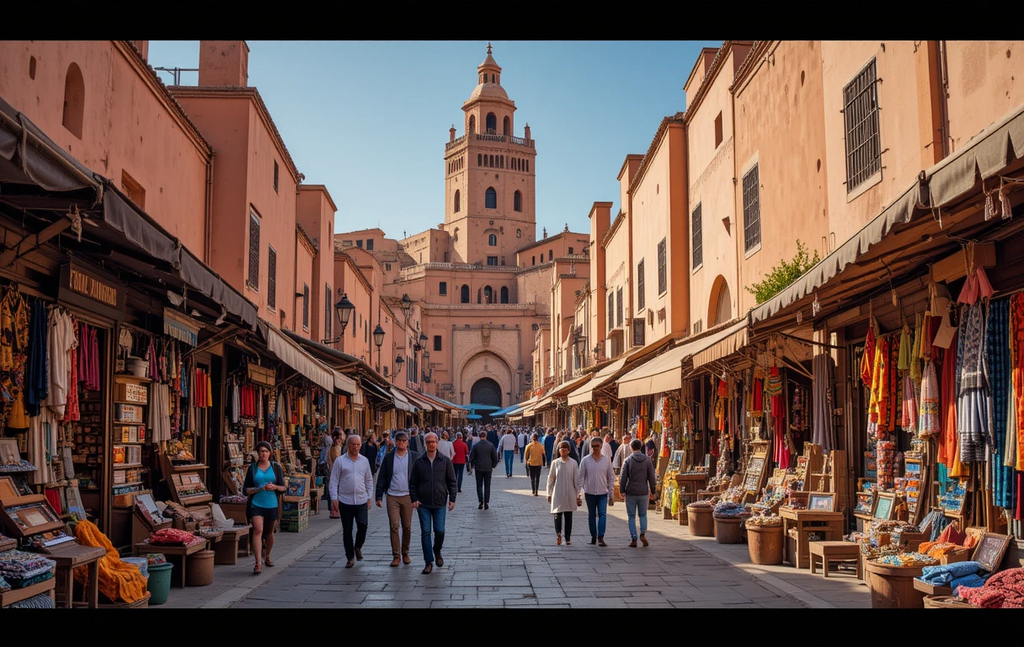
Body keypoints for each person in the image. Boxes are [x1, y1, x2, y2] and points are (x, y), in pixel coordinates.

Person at [409, 432, 457, 574]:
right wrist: (414, 498)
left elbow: (452, 482)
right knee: (425, 532)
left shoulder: (445, 461)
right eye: (428, 441)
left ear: (437, 443)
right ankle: (428, 561)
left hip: (440, 501)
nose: (431, 444)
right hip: (423, 503)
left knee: (440, 531)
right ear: (425, 444)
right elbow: (413, 483)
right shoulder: (419, 461)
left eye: (433, 441)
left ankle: (437, 550)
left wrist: (452, 499)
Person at [330, 434, 374, 568]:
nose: (356, 447)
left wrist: (369, 496)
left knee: (363, 526)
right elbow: (334, 481)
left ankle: (358, 546)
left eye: (358, 444)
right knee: (347, 530)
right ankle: (350, 557)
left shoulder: (364, 461)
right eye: (353, 444)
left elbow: (369, 480)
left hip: (361, 499)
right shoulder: (340, 461)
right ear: (348, 445)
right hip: (345, 500)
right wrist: (334, 498)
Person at [375, 430, 417, 567]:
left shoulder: (413, 457)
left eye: (404, 440)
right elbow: (382, 476)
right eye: (399, 440)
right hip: (392, 495)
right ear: (395, 442)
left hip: (408, 496)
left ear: (407, 442)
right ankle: (396, 555)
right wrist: (379, 496)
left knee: (407, 527)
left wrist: (418, 496)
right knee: (394, 526)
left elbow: (419, 478)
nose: (401, 443)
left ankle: (405, 552)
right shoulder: (389, 457)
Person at [243, 441, 285, 575]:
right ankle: (257, 562)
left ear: (270, 453)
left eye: (266, 451)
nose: (263, 454)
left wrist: (275, 487)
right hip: (257, 503)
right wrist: (259, 488)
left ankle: (267, 556)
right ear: (258, 453)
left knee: (269, 532)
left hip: (272, 503)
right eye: (261, 451)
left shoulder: (276, 467)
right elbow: (246, 490)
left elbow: (283, 487)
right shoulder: (253, 468)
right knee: (257, 530)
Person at [619, 438, 658, 547]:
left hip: (631, 491)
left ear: (631, 448)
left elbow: (623, 477)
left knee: (631, 516)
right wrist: (653, 490)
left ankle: (634, 537)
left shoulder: (628, 460)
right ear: (641, 447)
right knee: (643, 514)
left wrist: (622, 490)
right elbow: (651, 477)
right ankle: (642, 533)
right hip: (643, 491)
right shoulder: (647, 460)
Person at [579, 436, 615, 546]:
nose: (595, 448)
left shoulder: (606, 461)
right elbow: (580, 477)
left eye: (597, 446)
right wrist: (578, 493)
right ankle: (593, 536)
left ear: (601, 446)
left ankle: (601, 536)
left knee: (602, 514)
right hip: (589, 492)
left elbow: (610, 477)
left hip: (602, 492)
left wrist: (611, 494)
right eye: (593, 446)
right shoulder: (585, 460)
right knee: (591, 515)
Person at [547, 440, 583, 546]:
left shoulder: (573, 463)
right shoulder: (555, 463)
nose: (563, 451)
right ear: (559, 451)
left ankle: (567, 537)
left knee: (568, 515)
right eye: (561, 450)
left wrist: (578, 493)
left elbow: (576, 480)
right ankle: (558, 534)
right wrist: (549, 493)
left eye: (565, 450)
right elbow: (551, 479)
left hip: (569, 492)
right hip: (557, 492)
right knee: (557, 515)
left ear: (568, 451)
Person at [468, 428, 499, 509]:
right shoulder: (491, 445)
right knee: (487, 485)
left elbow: (471, 457)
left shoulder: (476, 446)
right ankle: (486, 502)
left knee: (479, 485)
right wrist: (493, 466)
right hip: (488, 468)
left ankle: (480, 500)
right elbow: (495, 458)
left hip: (478, 468)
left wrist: (471, 466)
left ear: (479, 436)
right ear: (486, 436)